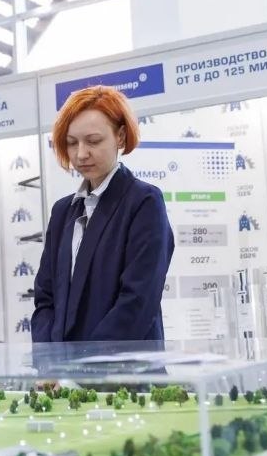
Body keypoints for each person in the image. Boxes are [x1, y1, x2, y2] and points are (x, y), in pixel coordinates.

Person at [31, 85, 173, 343]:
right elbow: (45, 298)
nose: (81, 154)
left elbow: (137, 302)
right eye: (71, 143)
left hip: (121, 365)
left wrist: (88, 361)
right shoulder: (62, 211)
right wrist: (50, 356)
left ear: (120, 137)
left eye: (93, 141)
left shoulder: (144, 202)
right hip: (62, 366)